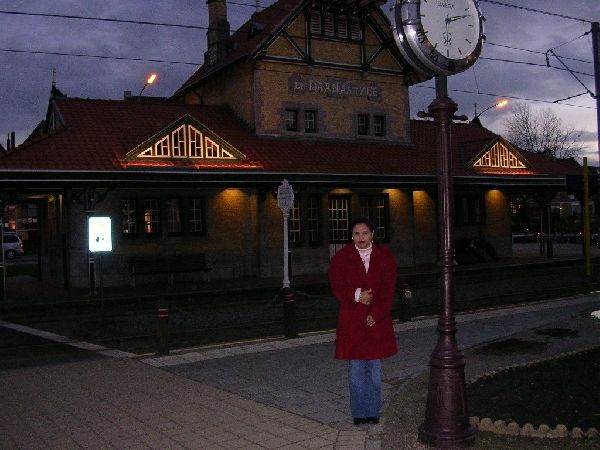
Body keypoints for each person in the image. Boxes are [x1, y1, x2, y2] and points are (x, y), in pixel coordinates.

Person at [329, 217, 398, 425]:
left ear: (372, 235)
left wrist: (376, 314)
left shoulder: (385, 257)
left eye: (365, 233)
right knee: (356, 371)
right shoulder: (341, 259)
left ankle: (373, 412)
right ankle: (359, 413)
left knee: (375, 373)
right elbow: (337, 287)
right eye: (357, 234)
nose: (361, 238)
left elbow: (388, 291)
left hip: (377, 323)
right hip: (353, 323)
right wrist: (357, 294)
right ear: (352, 236)